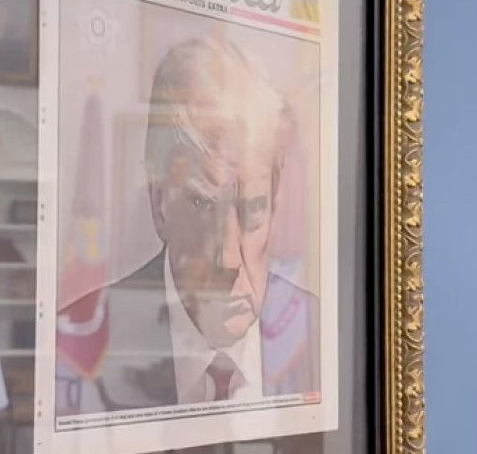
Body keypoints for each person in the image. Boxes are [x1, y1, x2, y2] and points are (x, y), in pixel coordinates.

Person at [58, 34, 319, 413]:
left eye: (253, 207)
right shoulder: (86, 338)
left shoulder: (321, 332)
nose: (229, 259)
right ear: (160, 204)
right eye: (201, 204)